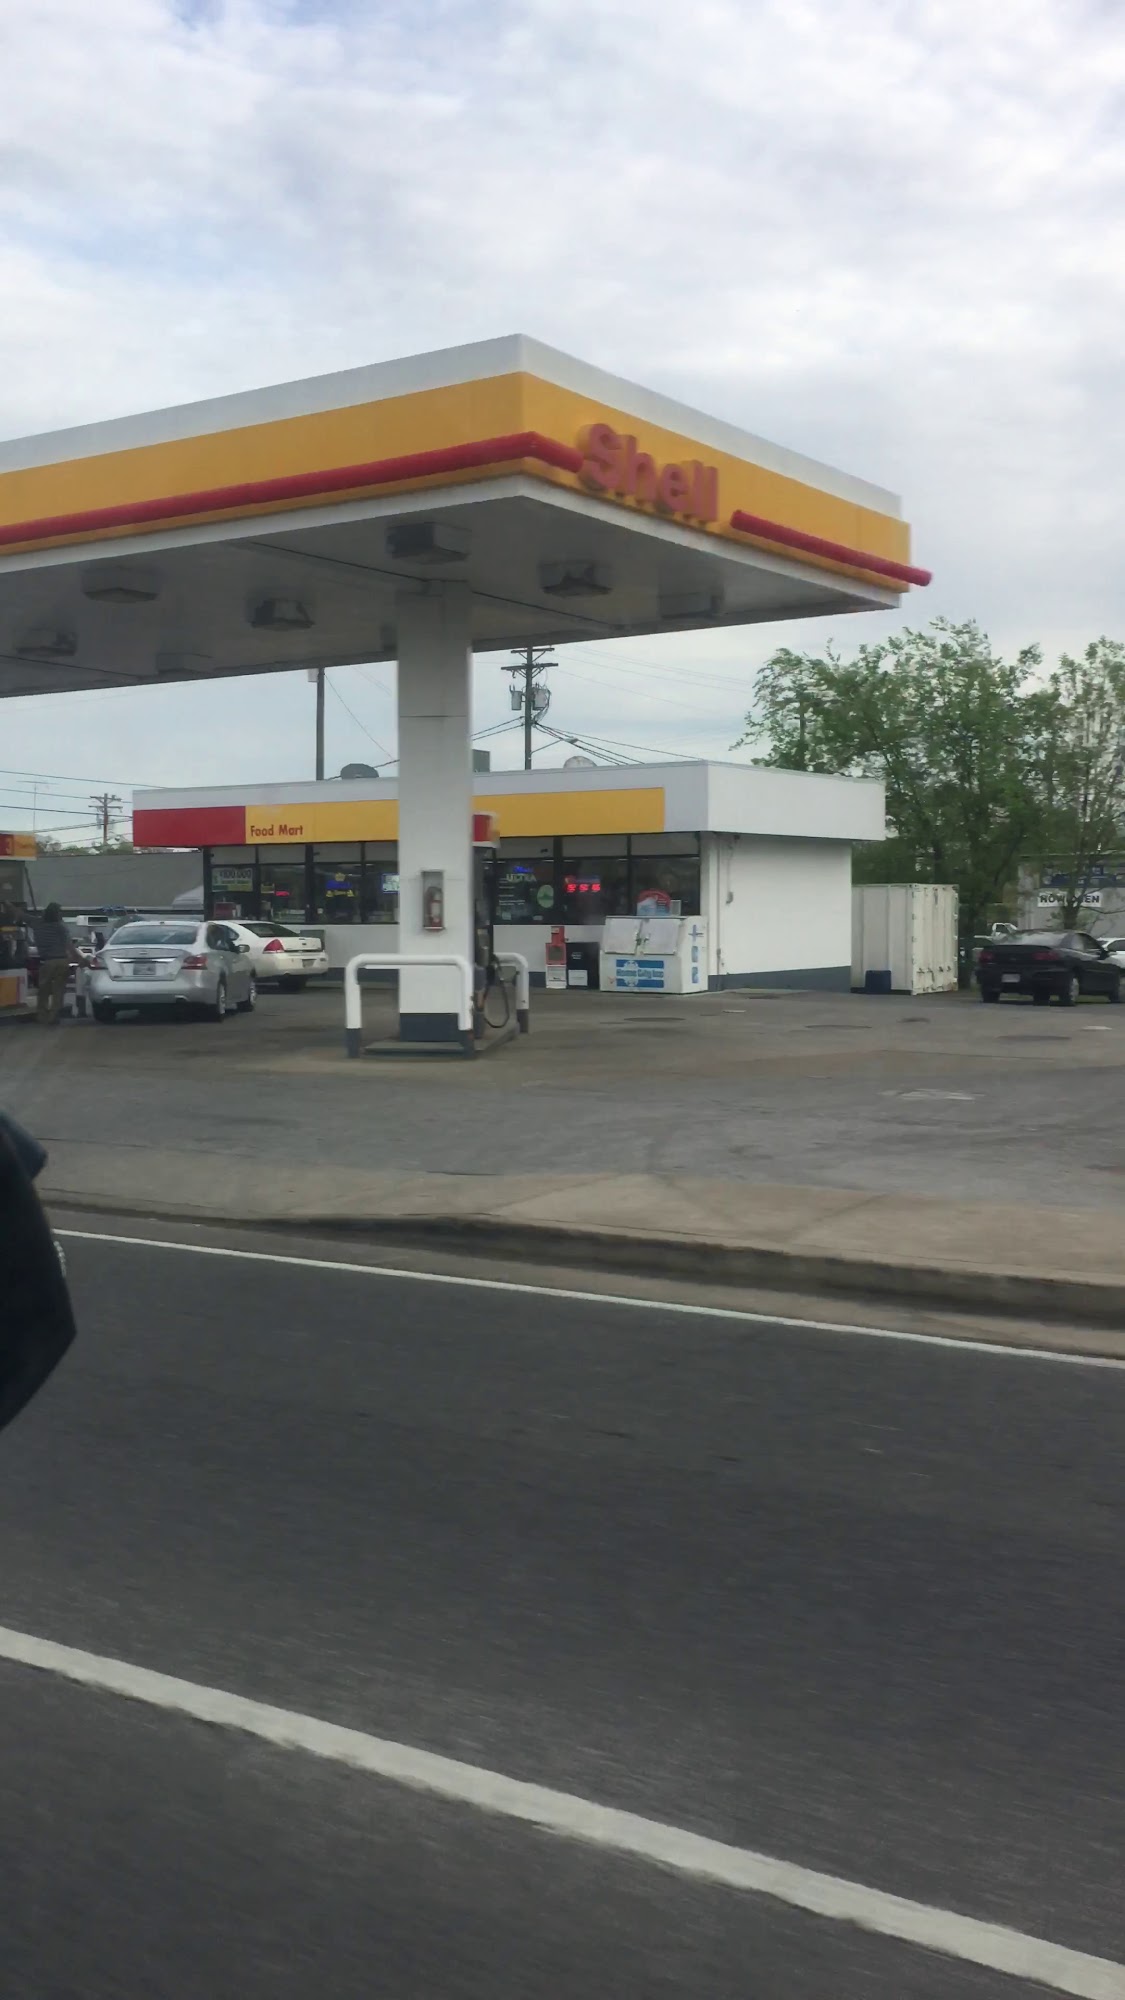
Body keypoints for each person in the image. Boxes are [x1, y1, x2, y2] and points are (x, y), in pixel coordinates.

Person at [31, 903, 75, 1027]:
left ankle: (42, 1015)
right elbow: (69, 946)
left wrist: (7, 904)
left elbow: (20, 915)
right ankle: (54, 1016)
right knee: (59, 991)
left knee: (43, 990)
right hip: (61, 961)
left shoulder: (36, 923)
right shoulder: (61, 927)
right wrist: (81, 960)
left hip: (47, 962)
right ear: (57, 914)